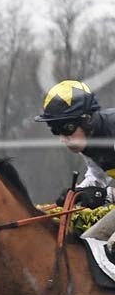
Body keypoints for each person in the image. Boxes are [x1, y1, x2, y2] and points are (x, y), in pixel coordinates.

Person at [36, 79, 115, 248]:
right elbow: (97, 177)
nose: (63, 139)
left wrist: (106, 195)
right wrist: (77, 192)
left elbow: (102, 192)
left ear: (87, 120)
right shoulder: (90, 142)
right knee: (89, 243)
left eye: (67, 128)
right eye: (55, 130)